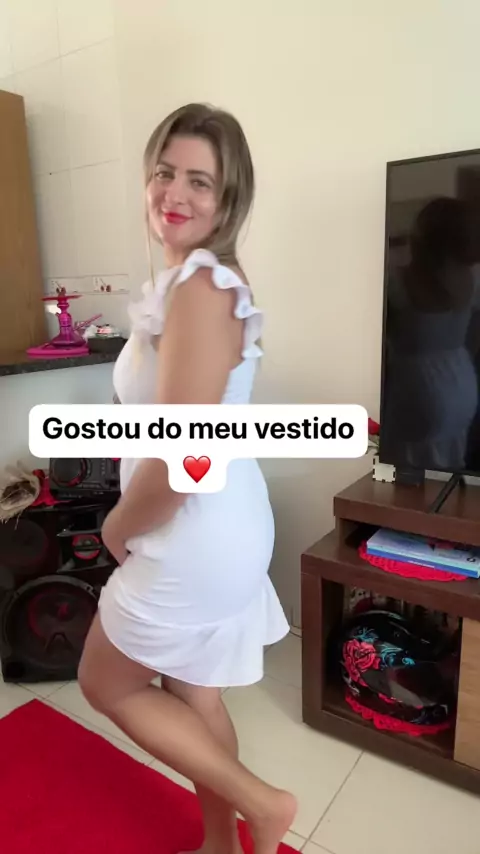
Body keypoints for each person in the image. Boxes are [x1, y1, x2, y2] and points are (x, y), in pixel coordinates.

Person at [78, 103, 297, 854]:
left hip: (192, 528)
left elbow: (179, 457)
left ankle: (263, 806)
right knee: (193, 691)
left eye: (199, 181)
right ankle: (220, 843)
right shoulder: (194, 279)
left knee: (105, 683)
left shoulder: (202, 285)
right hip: (218, 520)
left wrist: (117, 526)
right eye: (164, 172)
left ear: (229, 198)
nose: (174, 192)